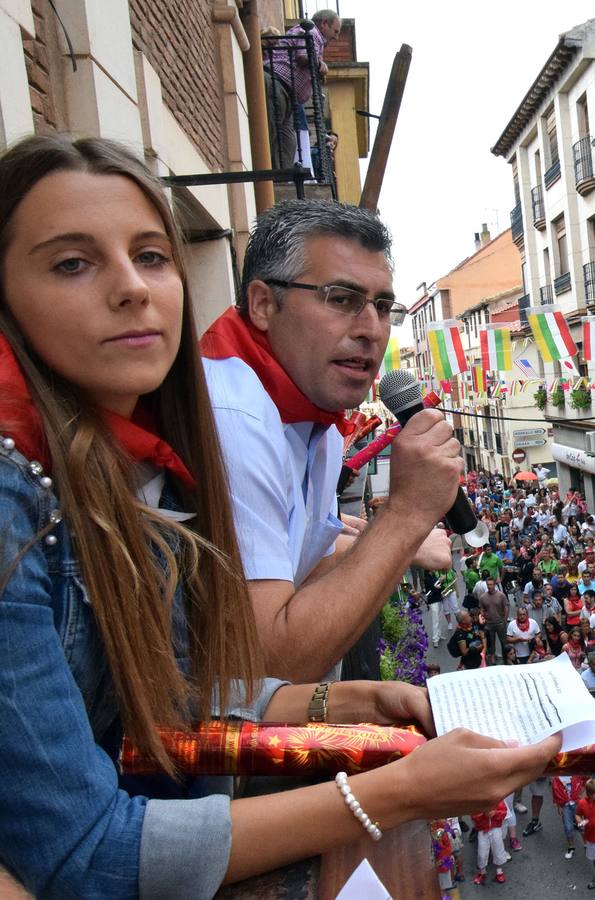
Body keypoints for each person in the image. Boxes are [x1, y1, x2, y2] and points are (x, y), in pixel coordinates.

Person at [0, 134, 557, 897]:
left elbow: (180, 688)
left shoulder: (130, 459)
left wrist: (360, 699)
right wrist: (399, 789)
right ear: (260, 303)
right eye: (73, 262)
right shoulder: (34, 493)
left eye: (152, 257)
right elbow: (89, 850)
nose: (131, 288)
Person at [201, 198, 455, 682]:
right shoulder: (231, 412)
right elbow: (268, 666)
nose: (371, 329)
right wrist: (407, 516)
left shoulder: (316, 418)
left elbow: (307, 568)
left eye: (383, 307)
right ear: (262, 304)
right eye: (341, 299)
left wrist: (399, 542)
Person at [264, 10, 341, 170]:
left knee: (287, 145)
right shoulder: (311, 31)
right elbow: (302, 56)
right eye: (335, 31)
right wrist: (320, 65)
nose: (336, 37)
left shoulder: (315, 38)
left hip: (288, 97)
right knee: (267, 138)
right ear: (324, 23)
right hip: (277, 85)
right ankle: (260, 176)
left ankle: (280, 185)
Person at [470, 799, 510, 885]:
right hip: (482, 830)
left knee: (498, 850)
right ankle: (482, 872)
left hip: (496, 829)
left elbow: (504, 812)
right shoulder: (477, 801)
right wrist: (483, 814)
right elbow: (473, 816)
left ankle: (499, 871)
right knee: (482, 852)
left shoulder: (497, 799)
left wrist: (495, 813)